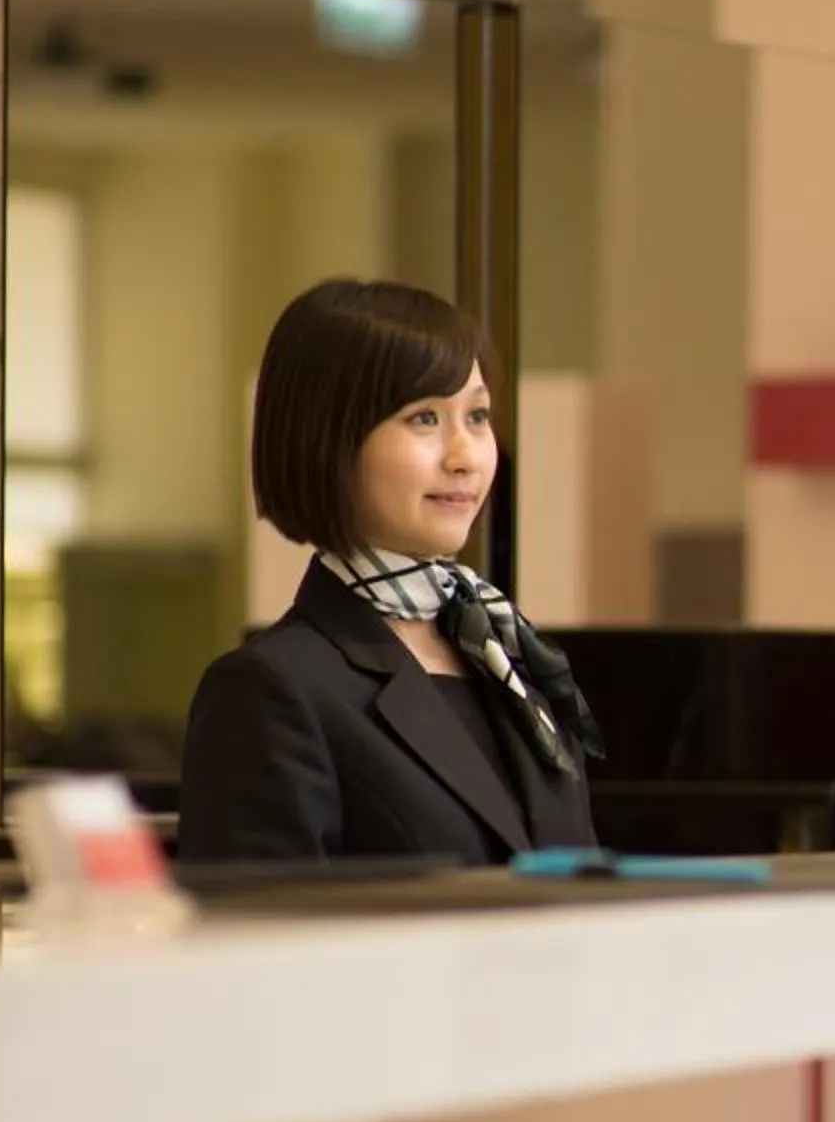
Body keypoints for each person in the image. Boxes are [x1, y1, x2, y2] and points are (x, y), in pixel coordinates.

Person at [178, 279, 600, 866]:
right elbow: (260, 939)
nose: (465, 456)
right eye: (424, 418)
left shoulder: (506, 654)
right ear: (327, 438)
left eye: (477, 416)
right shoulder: (272, 690)